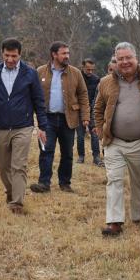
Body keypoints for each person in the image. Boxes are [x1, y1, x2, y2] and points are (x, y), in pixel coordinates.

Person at [94, 42, 140, 236]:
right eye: (120, 59)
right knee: (114, 180)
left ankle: (137, 215)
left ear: (136, 59)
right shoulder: (105, 82)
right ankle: (114, 222)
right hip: (114, 142)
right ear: (115, 61)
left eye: (128, 58)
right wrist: (101, 130)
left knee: (138, 181)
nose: (124, 62)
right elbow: (98, 108)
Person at [0, 38, 48, 214]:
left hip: (23, 126)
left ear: (20, 54)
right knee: (2, 164)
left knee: (19, 165)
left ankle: (17, 203)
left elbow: (38, 101)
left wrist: (42, 125)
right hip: (0, 126)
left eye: (14, 56)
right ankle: (11, 191)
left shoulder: (30, 73)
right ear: (2, 53)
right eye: (7, 55)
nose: (10, 59)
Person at [30, 42, 90, 194]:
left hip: (68, 119)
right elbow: (33, 95)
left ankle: (65, 183)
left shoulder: (76, 73)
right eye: (63, 53)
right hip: (46, 119)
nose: (67, 56)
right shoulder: (40, 71)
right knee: (46, 151)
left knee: (67, 153)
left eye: (68, 53)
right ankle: (44, 183)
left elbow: (83, 95)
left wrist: (85, 117)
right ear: (54, 54)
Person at [76, 58, 104, 167]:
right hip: (79, 110)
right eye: (88, 69)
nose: (90, 72)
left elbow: (97, 96)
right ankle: (81, 156)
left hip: (93, 109)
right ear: (83, 67)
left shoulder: (96, 79)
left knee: (95, 134)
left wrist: (93, 109)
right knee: (80, 135)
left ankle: (96, 157)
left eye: (92, 69)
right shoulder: (78, 78)